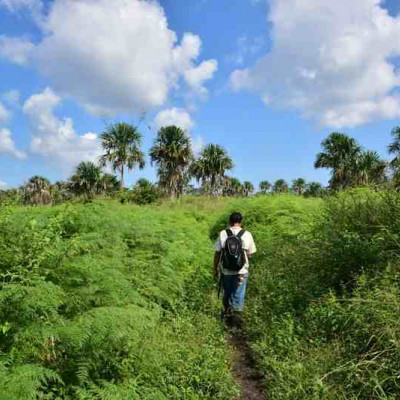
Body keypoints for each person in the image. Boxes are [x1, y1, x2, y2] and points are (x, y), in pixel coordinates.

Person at [213, 212, 256, 323]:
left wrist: (215, 269)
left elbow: (217, 253)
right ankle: (236, 321)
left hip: (226, 271)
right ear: (241, 222)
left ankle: (227, 316)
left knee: (227, 293)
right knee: (238, 294)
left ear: (229, 221)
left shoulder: (223, 233)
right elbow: (250, 254)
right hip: (241, 271)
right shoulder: (247, 234)